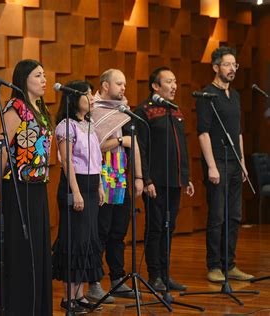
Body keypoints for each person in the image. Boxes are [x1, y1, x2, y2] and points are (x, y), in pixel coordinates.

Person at [0, 59, 53, 315]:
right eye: (38, 75)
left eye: (44, 74)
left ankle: (36, 305)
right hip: (17, 188)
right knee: (20, 249)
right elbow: (0, 150)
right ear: (24, 79)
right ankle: (17, 306)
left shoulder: (40, 108)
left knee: (37, 249)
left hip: (38, 187)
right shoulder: (15, 107)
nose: (44, 79)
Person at [196, 46, 254, 283]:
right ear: (216, 67)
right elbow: (203, 133)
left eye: (235, 65)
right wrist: (211, 165)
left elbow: (238, 132)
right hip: (217, 161)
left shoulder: (235, 95)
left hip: (233, 162)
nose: (232, 69)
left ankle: (230, 264)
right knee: (217, 216)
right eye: (228, 64)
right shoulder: (206, 95)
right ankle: (214, 266)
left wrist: (242, 161)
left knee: (234, 216)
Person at [86, 69, 144, 303]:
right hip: (101, 179)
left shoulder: (123, 110)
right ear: (105, 85)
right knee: (101, 232)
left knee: (119, 232)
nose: (123, 88)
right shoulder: (94, 109)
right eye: (119, 83)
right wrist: (120, 140)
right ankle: (94, 282)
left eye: (125, 84)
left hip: (121, 178)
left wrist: (139, 177)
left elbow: (135, 144)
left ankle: (118, 279)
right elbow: (92, 146)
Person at [134, 67, 194, 292]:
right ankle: (154, 275)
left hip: (175, 181)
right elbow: (140, 148)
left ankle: (166, 274)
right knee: (156, 227)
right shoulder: (144, 111)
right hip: (155, 182)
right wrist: (146, 179)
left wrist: (186, 177)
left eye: (175, 81)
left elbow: (183, 147)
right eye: (169, 81)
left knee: (170, 227)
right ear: (155, 86)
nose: (174, 86)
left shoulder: (175, 111)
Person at [51, 81, 105, 314]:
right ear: (74, 99)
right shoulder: (66, 126)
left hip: (92, 185)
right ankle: (68, 298)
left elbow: (97, 159)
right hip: (77, 186)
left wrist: (100, 185)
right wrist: (76, 192)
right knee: (75, 240)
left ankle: (80, 294)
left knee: (88, 239)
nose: (92, 98)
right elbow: (67, 163)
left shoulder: (89, 124)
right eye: (87, 94)